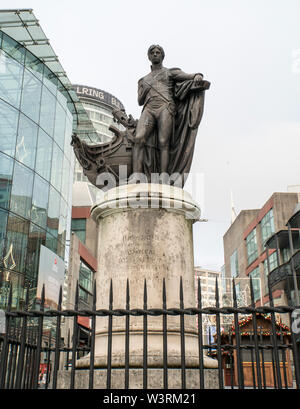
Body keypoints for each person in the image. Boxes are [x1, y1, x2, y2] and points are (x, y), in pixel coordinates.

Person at [132, 44, 204, 178]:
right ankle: (136, 175)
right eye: (152, 52)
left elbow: (188, 76)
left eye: (158, 52)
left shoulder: (169, 72)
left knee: (163, 142)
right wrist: (147, 87)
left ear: (162, 56)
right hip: (149, 109)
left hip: (165, 107)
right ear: (148, 56)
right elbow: (140, 101)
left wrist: (197, 75)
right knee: (139, 138)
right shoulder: (143, 80)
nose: (155, 54)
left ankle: (164, 175)